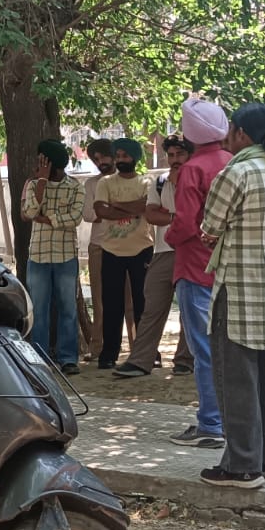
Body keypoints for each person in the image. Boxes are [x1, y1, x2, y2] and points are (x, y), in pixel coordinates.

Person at [198, 103, 265, 489]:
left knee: (237, 379)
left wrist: (219, 233)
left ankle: (242, 465)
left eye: (231, 129)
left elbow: (209, 227)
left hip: (238, 288)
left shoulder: (234, 173)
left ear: (241, 133)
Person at [164, 98, 231, 449]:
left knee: (203, 349)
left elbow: (186, 223)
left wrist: (169, 237)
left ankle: (210, 423)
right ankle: (231, 419)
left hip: (194, 266)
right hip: (229, 267)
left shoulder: (193, 169)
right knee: (228, 346)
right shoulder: (233, 162)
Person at [115, 134, 194, 379]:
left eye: (180, 154)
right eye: (171, 155)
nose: (175, 159)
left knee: (189, 309)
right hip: (162, 251)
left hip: (192, 251)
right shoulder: (160, 181)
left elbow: (196, 216)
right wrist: (175, 217)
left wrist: (169, 213)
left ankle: (185, 360)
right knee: (152, 307)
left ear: (190, 155)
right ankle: (140, 360)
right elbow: (151, 215)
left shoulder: (198, 180)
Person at [21, 139, 85, 374]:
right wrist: (41, 182)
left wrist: (46, 219)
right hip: (38, 256)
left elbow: (75, 218)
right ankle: (40, 358)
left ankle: (68, 358)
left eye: (42, 159)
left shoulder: (76, 187)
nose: (38, 163)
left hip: (66, 256)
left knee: (68, 308)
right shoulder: (33, 184)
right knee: (39, 309)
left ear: (49, 162)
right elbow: (29, 212)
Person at [93, 138, 153, 370]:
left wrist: (116, 205)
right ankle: (109, 354)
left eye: (125, 156)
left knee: (143, 304)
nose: (120, 160)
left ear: (134, 158)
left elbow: (146, 207)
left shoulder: (146, 181)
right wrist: (133, 208)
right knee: (112, 305)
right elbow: (101, 210)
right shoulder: (105, 182)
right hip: (111, 250)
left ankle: (147, 352)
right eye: (117, 156)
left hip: (142, 249)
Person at [80, 137, 126, 355]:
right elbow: (89, 214)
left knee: (131, 300)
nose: (101, 162)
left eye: (104, 157)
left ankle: (139, 349)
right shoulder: (91, 184)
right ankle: (98, 348)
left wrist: (106, 210)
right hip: (99, 246)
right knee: (100, 299)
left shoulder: (131, 180)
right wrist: (119, 210)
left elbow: (140, 211)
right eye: (96, 159)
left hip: (129, 245)